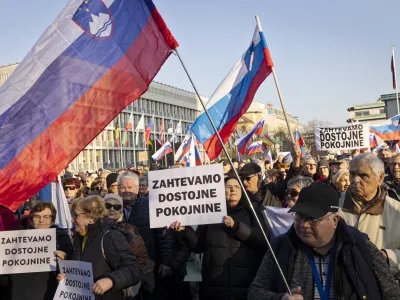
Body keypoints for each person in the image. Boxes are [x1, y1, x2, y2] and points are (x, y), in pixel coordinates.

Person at [248, 182, 400, 300]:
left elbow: (391, 292)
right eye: (299, 216)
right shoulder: (281, 246)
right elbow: (254, 292)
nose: (303, 224)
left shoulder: (359, 245)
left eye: (312, 219)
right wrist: (281, 298)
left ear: (334, 220)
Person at [169, 177, 268, 300]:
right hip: (214, 288)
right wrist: (185, 230)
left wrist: (236, 227)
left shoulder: (253, 212)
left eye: (237, 187)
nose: (233, 190)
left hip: (245, 287)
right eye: (228, 187)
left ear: (242, 191)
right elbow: (199, 246)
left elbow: (263, 243)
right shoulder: (211, 212)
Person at [118, 172, 186, 299]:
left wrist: (165, 262)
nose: (126, 191)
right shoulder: (113, 207)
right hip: (124, 267)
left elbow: (163, 235)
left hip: (150, 265)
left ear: (138, 188)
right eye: (123, 187)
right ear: (118, 189)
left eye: (130, 187)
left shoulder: (150, 205)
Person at [61, 196, 143, 300]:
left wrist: (111, 280)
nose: (72, 219)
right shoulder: (80, 237)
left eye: (76, 215)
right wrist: (68, 276)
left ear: (91, 218)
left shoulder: (109, 237)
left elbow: (134, 270)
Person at [340, 153, 400, 275]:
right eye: (352, 174)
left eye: (363, 175)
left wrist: (386, 257)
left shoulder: (397, 210)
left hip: (382, 287)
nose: (355, 180)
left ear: (380, 178)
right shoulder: (333, 205)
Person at [10, 202, 74, 300]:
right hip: (22, 291)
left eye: (46, 217)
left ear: (53, 220)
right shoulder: (19, 237)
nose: (41, 220)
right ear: (31, 220)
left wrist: (65, 258)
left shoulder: (62, 237)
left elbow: (72, 261)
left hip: (48, 290)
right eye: (37, 216)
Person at [104, 194, 155, 298]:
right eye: (108, 206)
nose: (112, 209)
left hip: (125, 283)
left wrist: (130, 283)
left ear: (121, 210)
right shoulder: (96, 230)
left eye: (117, 206)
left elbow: (141, 258)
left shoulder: (130, 230)